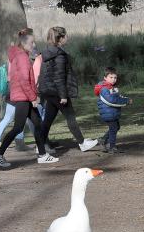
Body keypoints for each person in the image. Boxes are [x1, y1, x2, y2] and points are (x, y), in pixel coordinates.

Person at [0, 28, 58, 167]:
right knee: (18, 128)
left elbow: (29, 79)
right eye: (32, 42)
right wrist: (33, 97)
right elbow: (24, 81)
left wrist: (33, 96)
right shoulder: (22, 57)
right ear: (24, 43)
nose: (34, 45)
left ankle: (42, 155)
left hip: (24, 96)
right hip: (22, 98)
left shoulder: (21, 55)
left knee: (38, 124)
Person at [37, 26, 99, 155]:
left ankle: (40, 145)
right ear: (61, 38)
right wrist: (63, 96)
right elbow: (59, 77)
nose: (68, 38)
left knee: (48, 119)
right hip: (57, 92)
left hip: (48, 91)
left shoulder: (47, 52)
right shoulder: (59, 55)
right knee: (70, 117)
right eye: (66, 36)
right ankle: (82, 143)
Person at [94, 67, 132, 153]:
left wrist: (126, 98)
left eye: (115, 77)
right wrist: (126, 101)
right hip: (108, 113)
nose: (113, 79)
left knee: (116, 127)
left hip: (112, 112)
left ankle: (103, 140)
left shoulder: (111, 87)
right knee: (113, 128)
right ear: (105, 78)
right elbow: (111, 101)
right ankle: (112, 147)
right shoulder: (104, 89)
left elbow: (118, 97)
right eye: (111, 77)